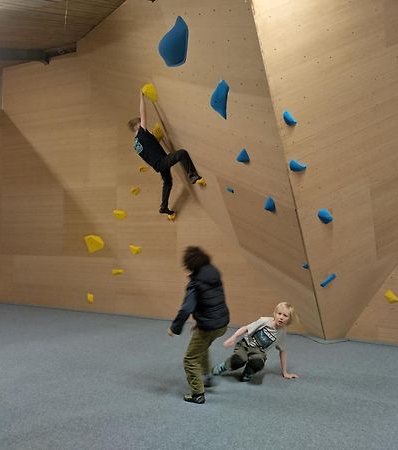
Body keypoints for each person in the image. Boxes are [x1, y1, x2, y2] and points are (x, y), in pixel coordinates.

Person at [168, 246, 230, 404]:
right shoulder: (213, 273)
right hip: (222, 324)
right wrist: (200, 320)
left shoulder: (195, 283)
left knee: (189, 359)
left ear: (190, 264)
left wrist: (174, 328)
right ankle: (207, 376)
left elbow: (186, 309)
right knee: (201, 347)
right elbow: (211, 301)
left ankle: (197, 394)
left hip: (209, 326)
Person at [128, 90, 203, 215]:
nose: (143, 123)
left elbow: (150, 149)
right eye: (140, 122)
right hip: (162, 161)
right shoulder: (141, 132)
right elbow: (143, 112)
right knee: (182, 153)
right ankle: (193, 175)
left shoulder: (136, 144)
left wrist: (158, 138)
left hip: (158, 164)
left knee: (168, 182)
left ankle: (163, 207)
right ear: (137, 125)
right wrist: (141, 96)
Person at [212, 302, 299, 382]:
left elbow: (283, 351)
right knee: (238, 361)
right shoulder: (264, 321)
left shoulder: (282, 333)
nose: (281, 317)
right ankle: (223, 366)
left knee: (258, 363)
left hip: (259, 352)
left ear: (289, 320)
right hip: (246, 345)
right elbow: (246, 328)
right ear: (274, 314)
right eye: (279, 314)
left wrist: (285, 372)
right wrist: (233, 337)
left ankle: (247, 372)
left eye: (285, 315)